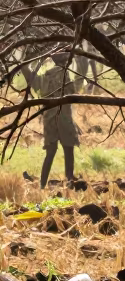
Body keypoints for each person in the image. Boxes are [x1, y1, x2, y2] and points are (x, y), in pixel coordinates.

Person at [23, 52, 84, 188]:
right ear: (65, 61)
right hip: (64, 118)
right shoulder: (65, 74)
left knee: (50, 153)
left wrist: (24, 63)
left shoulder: (46, 76)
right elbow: (74, 91)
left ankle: (42, 185)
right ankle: (69, 181)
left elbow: (33, 82)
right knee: (68, 150)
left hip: (49, 118)